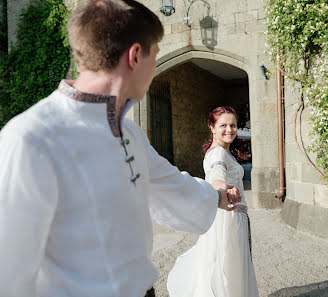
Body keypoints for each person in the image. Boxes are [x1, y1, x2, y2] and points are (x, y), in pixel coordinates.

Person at [0, 1, 241, 297]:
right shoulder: (32, 138)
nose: (154, 68)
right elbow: (8, 270)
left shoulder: (129, 131)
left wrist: (215, 196)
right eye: (156, 56)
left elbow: (168, 185)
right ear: (136, 56)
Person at [167, 106, 259, 297]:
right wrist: (223, 187)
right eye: (223, 125)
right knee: (227, 269)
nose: (229, 130)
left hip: (232, 217)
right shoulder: (217, 154)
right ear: (212, 127)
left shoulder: (223, 151)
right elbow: (217, 175)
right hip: (227, 220)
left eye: (233, 125)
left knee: (225, 266)